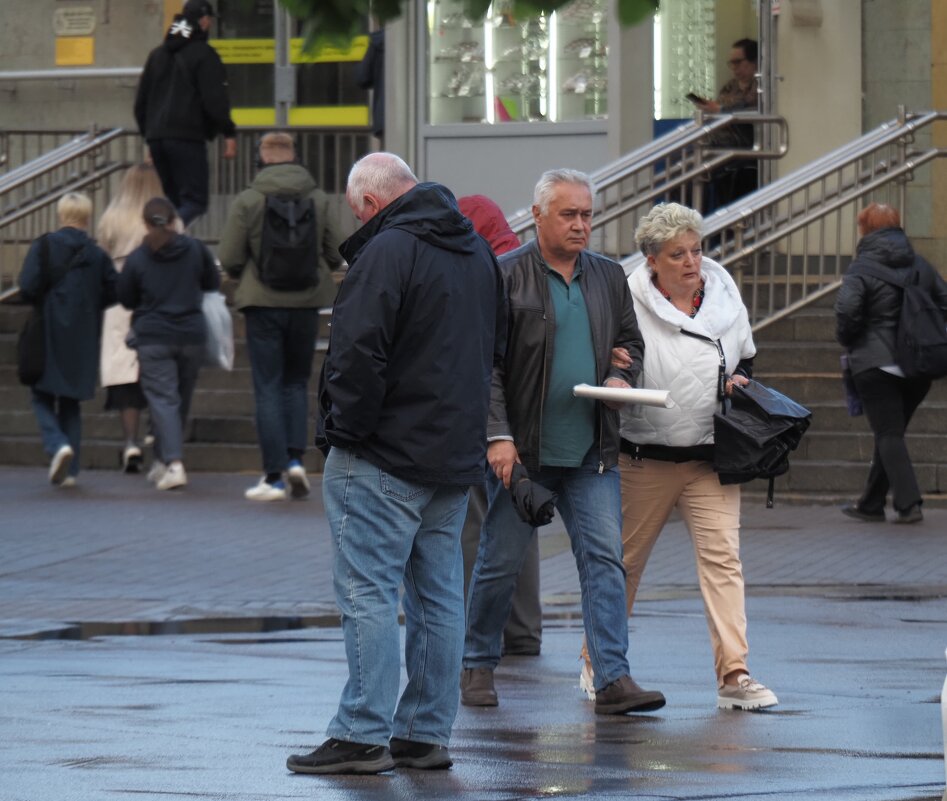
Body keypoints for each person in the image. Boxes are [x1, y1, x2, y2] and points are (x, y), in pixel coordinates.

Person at [286, 153, 505, 775]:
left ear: (371, 205)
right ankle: (424, 733)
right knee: (439, 597)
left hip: (383, 451)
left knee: (368, 592)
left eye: (359, 213)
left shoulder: (387, 251)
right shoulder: (477, 253)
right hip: (452, 455)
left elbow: (356, 355)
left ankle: (361, 732)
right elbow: (495, 349)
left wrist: (345, 434)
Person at [460, 168, 666, 717]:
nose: (581, 225)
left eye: (587, 214)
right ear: (536, 216)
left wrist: (623, 377)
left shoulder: (607, 276)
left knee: (603, 561)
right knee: (499, 562)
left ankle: (612, 679)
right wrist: (497, 437)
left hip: (591, 450)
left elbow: (629, 342)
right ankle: (476, 663)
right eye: (568, 214)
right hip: (522, 453)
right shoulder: (505, 275)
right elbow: (487, 366)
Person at [593, 201, 777, 711]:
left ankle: (734, 675)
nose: (692, 262)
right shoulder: (624, 298)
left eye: (696, 250)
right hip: (644, 457)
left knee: (724, 562)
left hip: (711, 458)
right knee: (623, 564)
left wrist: (742, 381)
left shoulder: (723, 291)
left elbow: (748, 356)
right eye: (678, 254)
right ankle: (599, 663)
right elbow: (614, 361)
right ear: (652, 259)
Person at [217, 131, 344, 501]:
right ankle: (295, 461)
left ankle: (272, 477)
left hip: (262, 304)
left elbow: (229, 258)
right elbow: (337, 252)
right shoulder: (318, 199)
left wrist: (249, 276)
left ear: (262, 158)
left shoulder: (248, 200)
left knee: (268, 386)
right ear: (294, 157)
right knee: (295, 383)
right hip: (306, 303)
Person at [456, 194, 541, 657]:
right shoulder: (529, 269)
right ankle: (525, 632)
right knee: (519, 520)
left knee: (475, 523)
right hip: (529, 416)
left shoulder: (479, 274)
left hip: (480, 414)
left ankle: (476, 634)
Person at [835, 203, 947, 525]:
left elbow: (846, 314)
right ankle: (871, 503)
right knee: (891, 434)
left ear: (865, 231)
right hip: (919, 366)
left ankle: (909, 504)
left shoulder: (860, 270)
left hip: (874, 363)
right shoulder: (920, 265)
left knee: (888, 434)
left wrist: (850, 339)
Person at [117, 197, 220, 491]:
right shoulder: (196, 249)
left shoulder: (138, 257)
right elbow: (212, 282)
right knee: (179, 400)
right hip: (191, 335)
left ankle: (173, 463)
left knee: (163, 400)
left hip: (153, 337)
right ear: (174, 220)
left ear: (146, 223)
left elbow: (125, 297)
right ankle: (163, 460)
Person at [18, 192, 118, 487]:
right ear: (87, 217)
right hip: (83, 333)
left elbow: (27, 286)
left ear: (61, 215)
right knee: (71, 401)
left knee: (40, 394)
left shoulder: (45, 246)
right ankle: (71, 471)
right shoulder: (97, 254)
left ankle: (56, 443)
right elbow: (114, 290)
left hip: (48, 329)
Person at [134, 0, 237, 226]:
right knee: (195, 201)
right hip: (187, 138)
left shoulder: (157, 55)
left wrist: (150, 138)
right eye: (209, 20)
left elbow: (140, 103)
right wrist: (228, 133)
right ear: (203, 21)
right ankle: (165, 236)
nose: (210, 24)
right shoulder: (204, 54)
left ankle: (163, 248)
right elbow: (214, 100)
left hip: (157, 138)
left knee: (171, 200)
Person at [97, 164, 169, 473]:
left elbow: (102, 254)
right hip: (158, 295)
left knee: (124, 370)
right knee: (157, 370)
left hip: (120, 297)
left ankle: (130, 443)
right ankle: (157, 432)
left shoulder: (112, 217)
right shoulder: (166, 215)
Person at [692, 38, 759, 210]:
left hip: (745, 144)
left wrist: (720, 110)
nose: (735, 67)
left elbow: (755, 111)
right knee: (689, 165)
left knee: (699, 163)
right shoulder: (730, 87)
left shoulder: (761, 86)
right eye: (732, 63)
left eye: (738, 62)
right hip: (722, 141)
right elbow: (720, 107)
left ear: (754, 62)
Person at [355, 28, 385, 148]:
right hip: (416, 117)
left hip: (383, 117)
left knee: (389, 164)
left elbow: (362, 77)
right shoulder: (421, 39)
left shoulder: (378, 41)